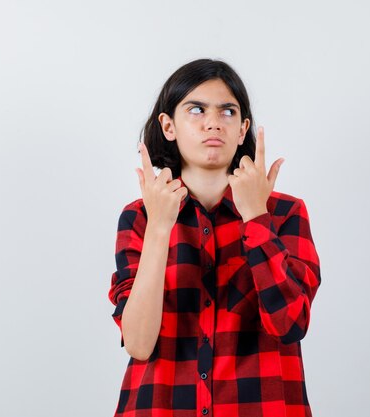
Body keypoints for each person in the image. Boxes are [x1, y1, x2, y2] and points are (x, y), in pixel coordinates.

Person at [108, 58, 322, 417]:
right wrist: (161, 227)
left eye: (227, 112)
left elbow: (289, 324)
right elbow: (139, 344)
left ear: (242, 130)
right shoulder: (140, 217)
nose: (212, 122)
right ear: (168, 125)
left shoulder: (284, 214)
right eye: (196, 109)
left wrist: (256, 217)